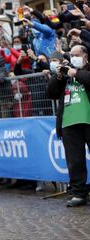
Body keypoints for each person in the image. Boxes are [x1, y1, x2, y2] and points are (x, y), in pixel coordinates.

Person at [47, 45, 90, 207]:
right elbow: (51, 93)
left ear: (85, 56)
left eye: (77, 55)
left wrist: (77, 74)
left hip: (88, 120)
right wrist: (58, 76)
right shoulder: (67, 71)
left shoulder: (80, 70)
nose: (73, 58)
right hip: (69, 123)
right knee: (75, 161)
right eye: (71, 55)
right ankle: (79, 194)